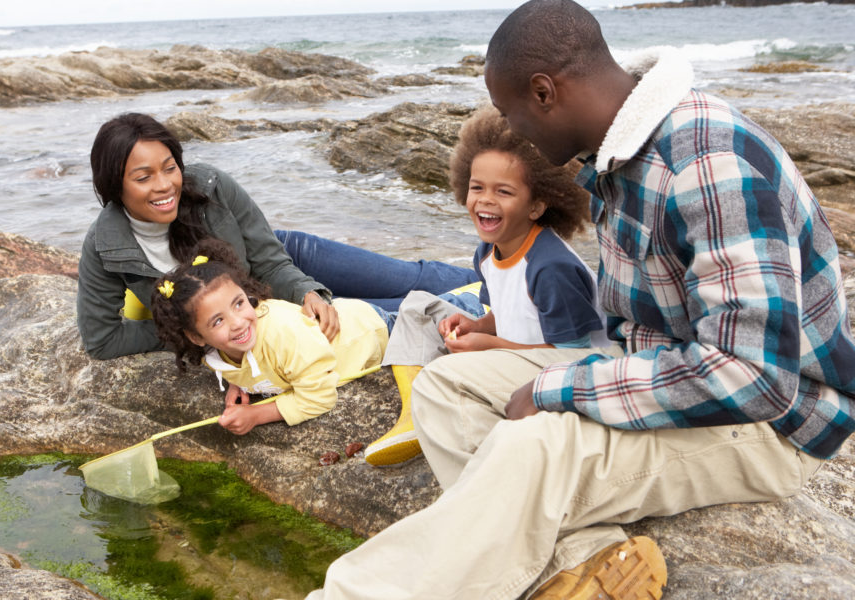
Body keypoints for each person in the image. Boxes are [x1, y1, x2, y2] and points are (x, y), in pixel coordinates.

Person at [306, 1, 855, 599]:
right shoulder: (616, 160)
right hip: (664, 371)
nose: (511, 131)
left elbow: (753, 378)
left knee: (535, 440)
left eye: (508, 112)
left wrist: (559, 391)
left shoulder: (705, 164)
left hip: (772, 423)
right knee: (446, 387)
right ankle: (586, 561)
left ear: (544, 91)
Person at [76, 112, 478, 360]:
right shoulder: (105, 246)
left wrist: (306, 291)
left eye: (170, 167)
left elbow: (268, 257)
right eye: (143, 177)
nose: (165, 185)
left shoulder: (212, 185)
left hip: (282, 257)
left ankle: (508, 272)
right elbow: (102, 340)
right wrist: (191, 329)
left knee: (410, 277)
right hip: (257, 306)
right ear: (115, 185)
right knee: (387, 311)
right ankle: (487, 311)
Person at [363, 105, 610, 467]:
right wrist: (478, 326)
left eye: (504, 192)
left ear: (538, 205)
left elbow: (571, 356)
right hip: (515, 353)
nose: (485, 200)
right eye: (477, 187)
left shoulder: (551, 267)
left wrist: (490, 346)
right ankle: (412, 416)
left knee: (451, 373)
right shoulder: (487, 252)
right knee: (417, 306)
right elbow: (507, 314)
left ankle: (445, 412)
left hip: (560, 371)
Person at [149, 237, 389, 434]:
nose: (238, 322)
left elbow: (321, 396)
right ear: (196, 337)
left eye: (239, 303)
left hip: (373, 331)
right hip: (351, 319)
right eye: (218, 320)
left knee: (421, 312)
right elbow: (247, 364)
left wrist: (256, 415)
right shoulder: (214, 351)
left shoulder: (283, 334)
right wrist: (238, 381)